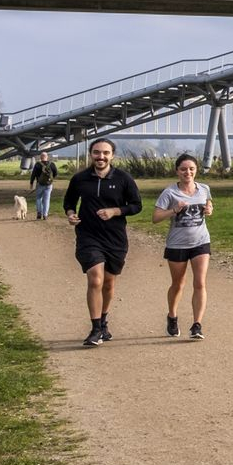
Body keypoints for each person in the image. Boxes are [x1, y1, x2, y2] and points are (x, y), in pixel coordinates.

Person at [63, 138, 142, 348]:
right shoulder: (80, 179)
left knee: (108, 283)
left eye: (105, 153)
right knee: (95, 280)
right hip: (88, 236)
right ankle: (95, 328)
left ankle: (104, 320)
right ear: (91, 154)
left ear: (112, 155)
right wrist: (71, 214)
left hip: (115, 237)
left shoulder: (123, 178)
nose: (101, 157)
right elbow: (69, 202)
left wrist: (115, 211)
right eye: (97, 152)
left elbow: (136, 206)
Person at [153, 153, 214, 340]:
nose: (188, 172)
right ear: (177, 171)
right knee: (178, 284)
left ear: (196, 170)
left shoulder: (204, 189)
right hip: (177, 244)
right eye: (183, 169)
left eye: (191, 169)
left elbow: (208, 204)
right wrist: (174, 210)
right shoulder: (169, 193)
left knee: (200, 282)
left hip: (201, 242)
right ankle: (172, 316)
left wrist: (210, 210)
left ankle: (197, 325)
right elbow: (155, 218)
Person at [28, 150, 58, 220]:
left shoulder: (37, 164)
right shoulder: (52, 164)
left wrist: (31, 183)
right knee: (46, 200)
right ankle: (45, 215)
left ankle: (39, 213)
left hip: (39, 184)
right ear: (47, 157)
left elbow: (33, 175)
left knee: (38, 198)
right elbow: (56, 173)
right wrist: (51, 179)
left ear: (41, 157)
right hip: (48, 185)